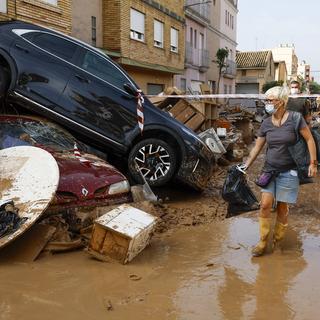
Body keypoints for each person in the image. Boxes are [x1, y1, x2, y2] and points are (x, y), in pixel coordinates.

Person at [243, 86, 318, 257]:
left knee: (283, 208)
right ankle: (262, 242)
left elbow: (309, 139)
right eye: (266, 100)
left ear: (281, 102)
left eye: (270, 100)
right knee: (265, 206)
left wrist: (312, 163)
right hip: (269, 170)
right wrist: (246, 164)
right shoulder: (266, 123)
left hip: (289, 171)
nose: (267, 104)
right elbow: (258, 146)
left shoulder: (295, 118)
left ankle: (277, 243)